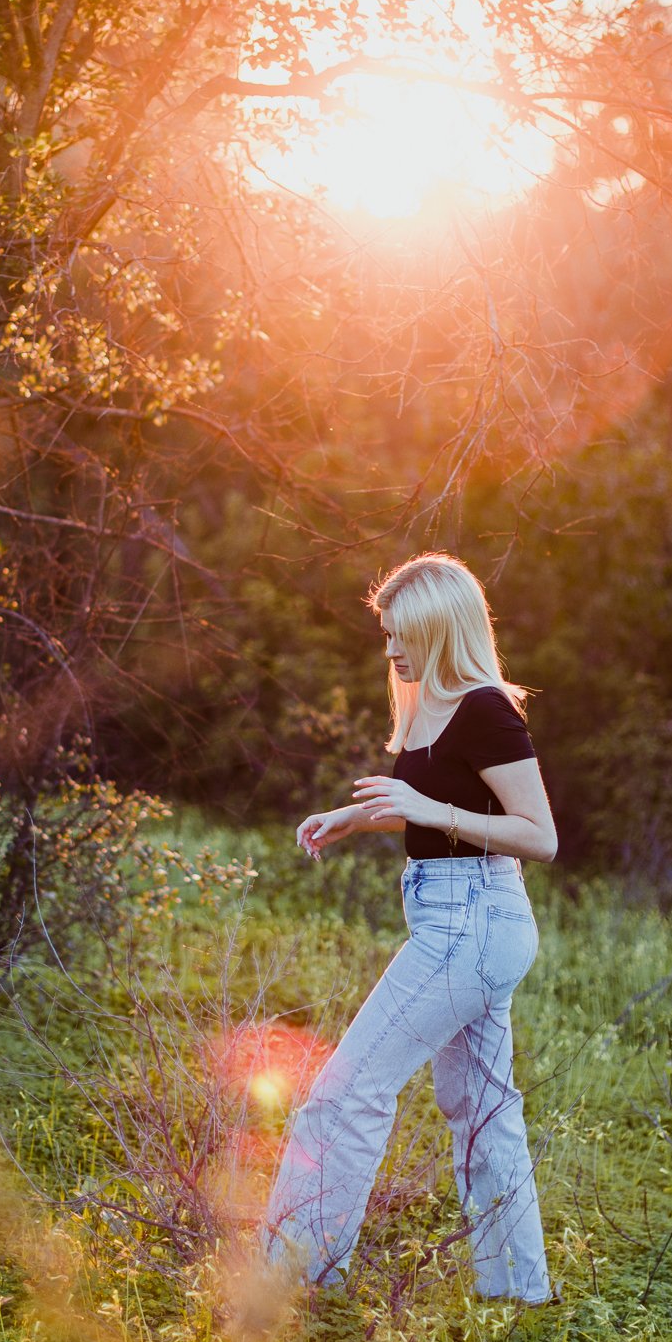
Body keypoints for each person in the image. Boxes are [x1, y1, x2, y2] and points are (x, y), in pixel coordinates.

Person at [263, 551, 558, 1304]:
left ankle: (294, 1284)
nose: (390, 648)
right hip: (454, 915)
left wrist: (432, 814)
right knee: (484, 1112)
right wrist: (352, 819)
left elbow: (540, 836)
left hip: (475, 920)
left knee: (347, 1091)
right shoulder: (428, 699)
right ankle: (521, 1293)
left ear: (439, 627)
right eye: (386, 633)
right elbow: (418, 799)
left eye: (402, 633)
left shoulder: (487, 708)